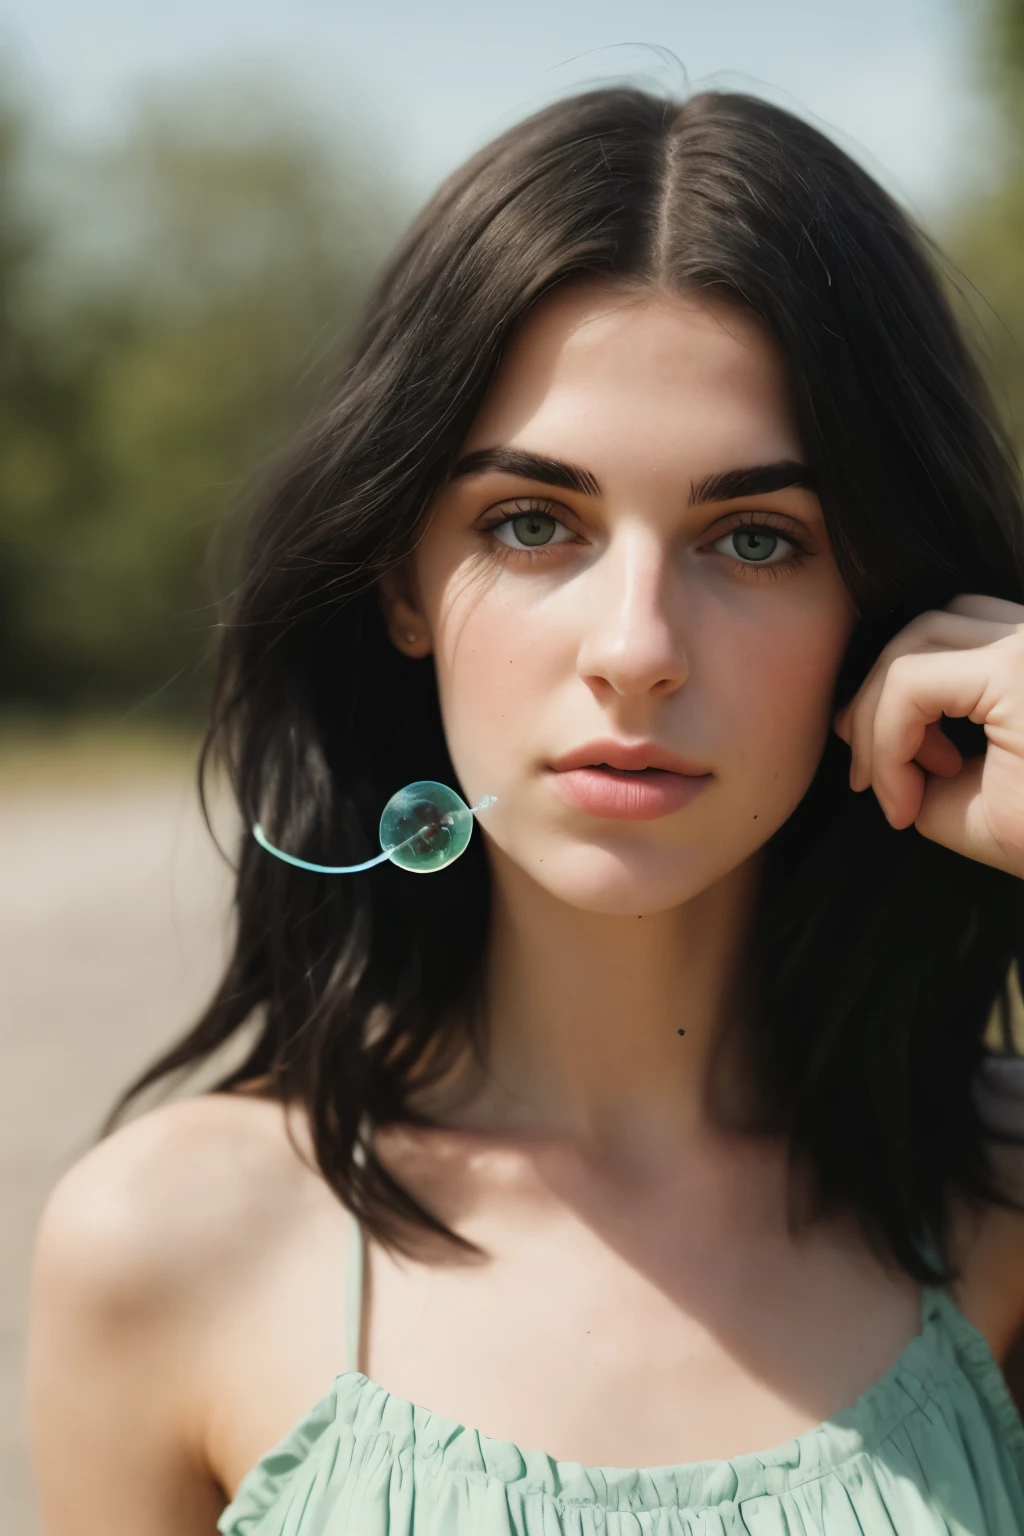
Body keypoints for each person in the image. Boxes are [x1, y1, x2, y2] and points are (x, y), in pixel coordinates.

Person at [26, 85, 1024, 1534]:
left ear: (881, 609)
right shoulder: (167, 1248)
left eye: (756, 538)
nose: (635, 647)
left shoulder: (998, 1203)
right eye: (532, 523)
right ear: (402, 582)